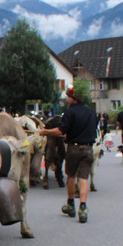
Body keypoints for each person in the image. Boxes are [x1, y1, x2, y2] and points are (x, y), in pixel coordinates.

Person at [38, 88, 98, 223]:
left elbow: (61, 131)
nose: (67, 100)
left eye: (68, 97)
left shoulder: (70, 113)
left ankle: (71, 205)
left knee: (71, 176)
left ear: (73, 99)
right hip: (88, 149)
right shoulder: (91, 113)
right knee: (83, 178)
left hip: (74, 149)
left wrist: (45, 131)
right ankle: (83, 207)